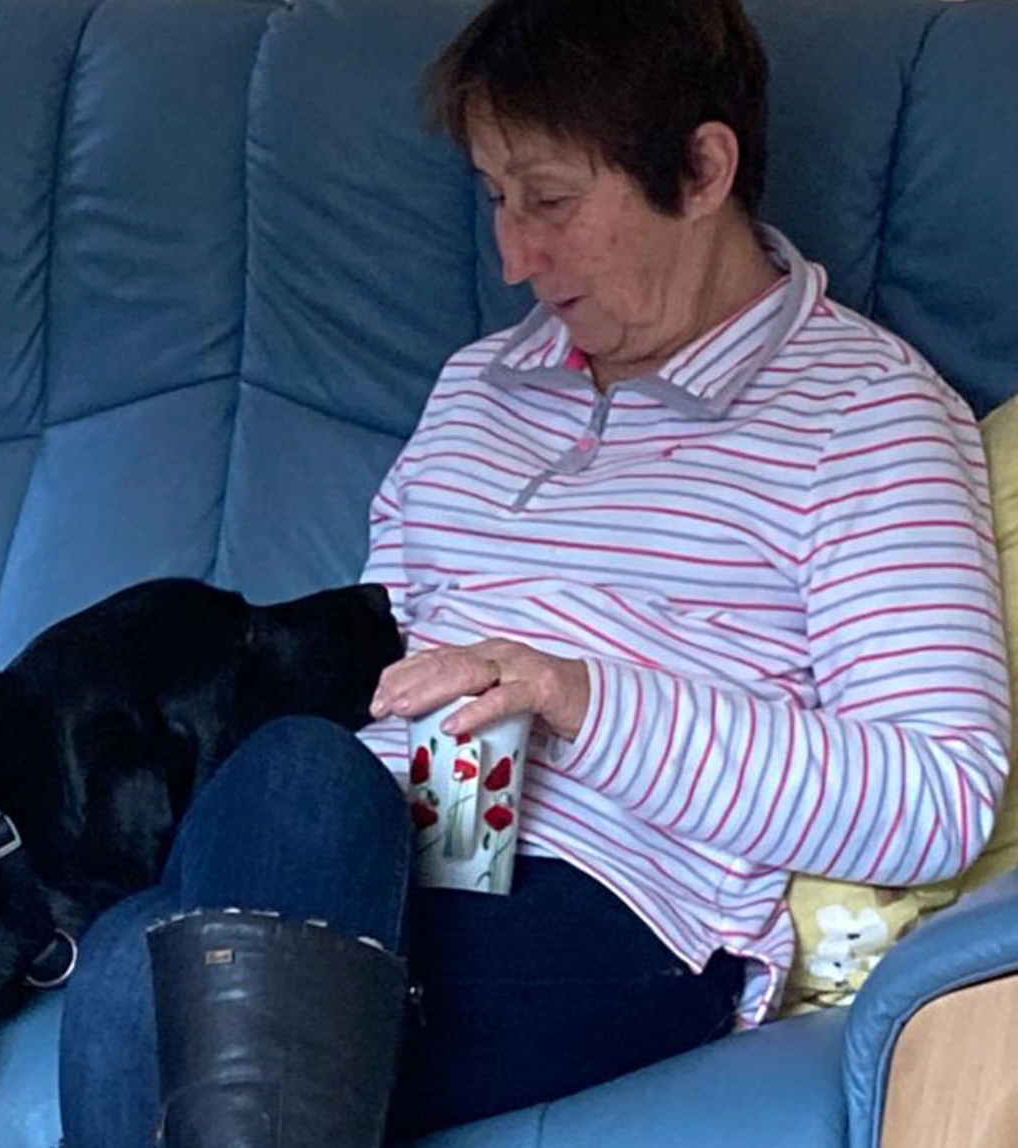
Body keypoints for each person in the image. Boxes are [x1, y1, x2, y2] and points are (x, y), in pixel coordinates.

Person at [56, 0, 1012, 1143]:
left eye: (551, 200)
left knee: (155, 962)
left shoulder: (867, 416)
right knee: (239, 833)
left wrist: (582, 697)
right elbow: (381, 661)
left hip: (620, 913)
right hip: (362, 848)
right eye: (497, 200)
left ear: (703, 169)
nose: (514, 257)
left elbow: (934, 799)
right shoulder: (477, 389)